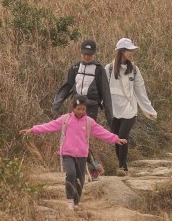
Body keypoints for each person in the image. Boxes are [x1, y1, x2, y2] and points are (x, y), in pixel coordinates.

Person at [20, 95, 126, 213]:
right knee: (71, 174)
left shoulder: (89, 122)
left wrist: (115, 139)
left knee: (80, 178)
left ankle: (76, 202)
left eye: (83, 109)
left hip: (82, 154)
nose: (81, 111)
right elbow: (49, 126)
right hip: (67, 153)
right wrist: (33, 129)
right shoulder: (65, 119)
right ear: (73, 108)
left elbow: (102, 132)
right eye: (78, 109)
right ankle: (70, 200)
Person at [53, 40, 113, 180]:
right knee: (72, 136)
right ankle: (93, 167)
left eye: (90, 54)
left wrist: (110, 117)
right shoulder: (74, 68)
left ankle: (93, 168)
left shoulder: (99, 70)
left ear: (94, 54)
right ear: (80, 52)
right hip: (75, 105)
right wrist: (58, 102)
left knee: (82, 137)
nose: (87, 57)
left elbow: (105, 92)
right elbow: (68, 86)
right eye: (85, 54)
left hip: (90, 107)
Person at [105, 38, 157, 176]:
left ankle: (122, 168)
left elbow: (140, 91)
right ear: (121, 51)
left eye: (132, 50)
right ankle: (123, 166)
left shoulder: (134, 69)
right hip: (114, 110)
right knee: (116, 138)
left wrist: (148, 110)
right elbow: (103, 89)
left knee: (123, 136)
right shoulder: (109, 69)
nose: (132, 53)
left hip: (129, 109)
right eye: (129, 50)